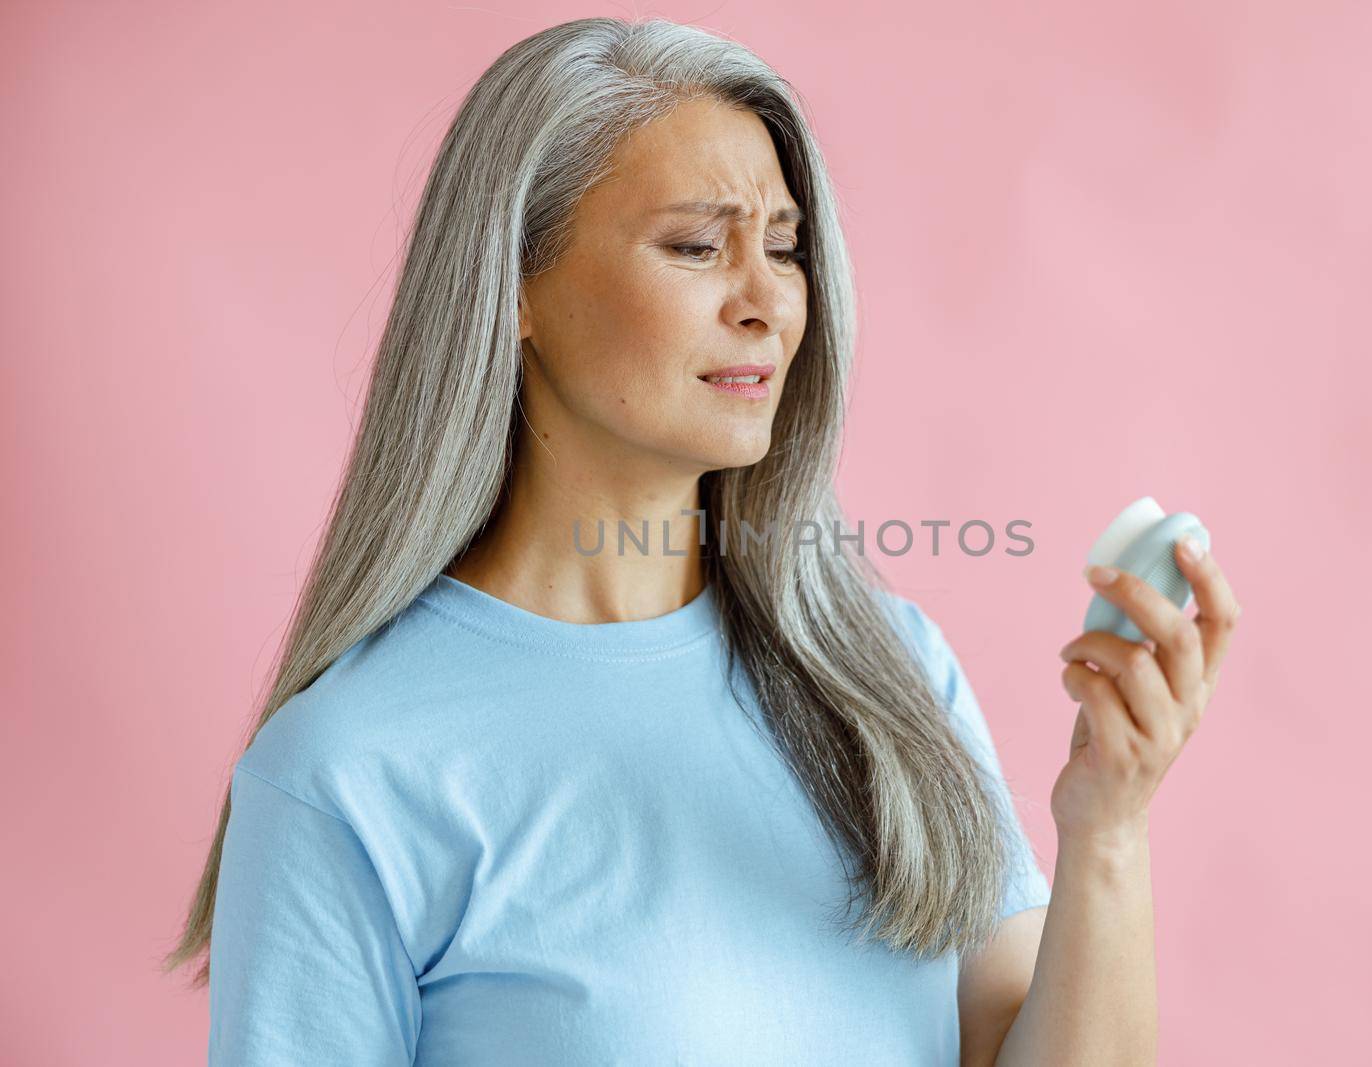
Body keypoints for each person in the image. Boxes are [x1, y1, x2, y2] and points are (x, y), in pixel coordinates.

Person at [167, 17, 1057, 1065]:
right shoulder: (349, 769)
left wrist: (1109, 830)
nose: (768, 300)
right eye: (695, 245)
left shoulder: (893, 673)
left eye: (783, 247)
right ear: (512, 287)